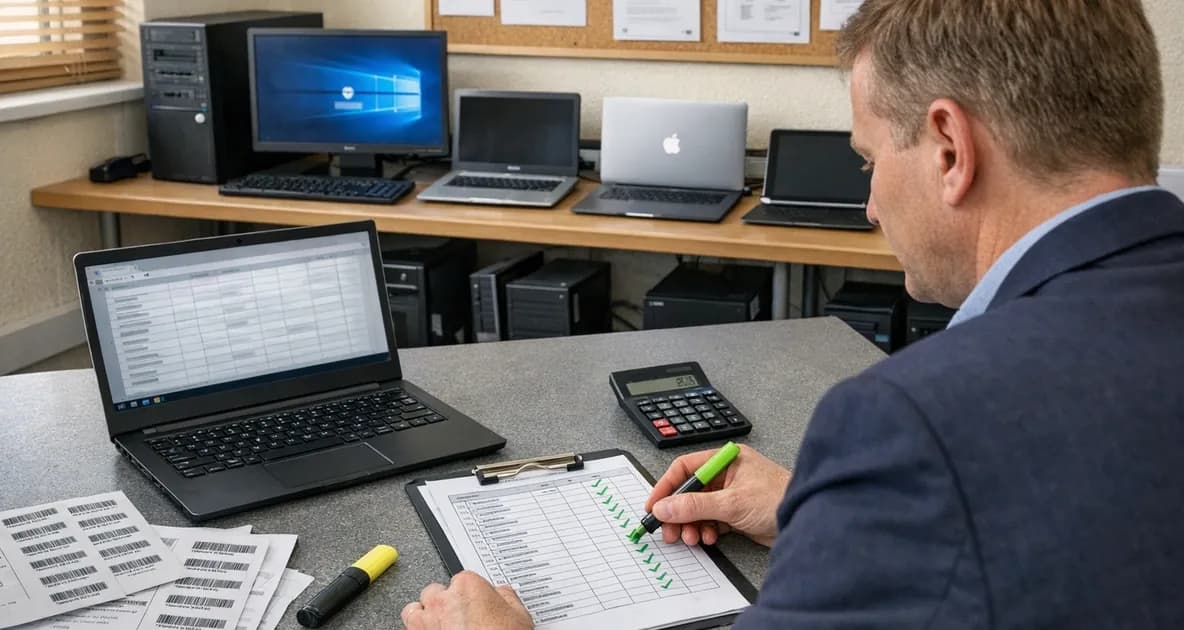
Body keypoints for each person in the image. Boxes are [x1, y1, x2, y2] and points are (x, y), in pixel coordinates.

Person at [401, 0, 1184, 627]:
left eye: (871, 162)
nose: (872, 205)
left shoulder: (915, 420)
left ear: (949, 147)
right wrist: (838, 518)